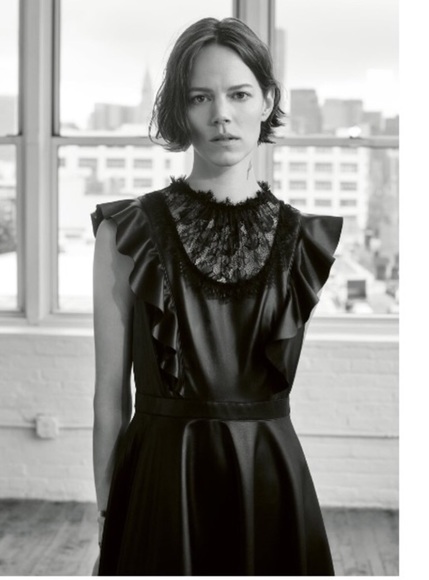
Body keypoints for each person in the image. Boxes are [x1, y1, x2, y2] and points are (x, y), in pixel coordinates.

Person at [90, 16, 342, 576]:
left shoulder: (303, 239)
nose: (221, 115)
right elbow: (109, 395)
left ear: (267, 101)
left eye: (239, 94)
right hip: (159, 481)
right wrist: (108, 509)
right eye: (199, 97)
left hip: (269, 478)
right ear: (180, 110)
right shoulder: (126, 232)